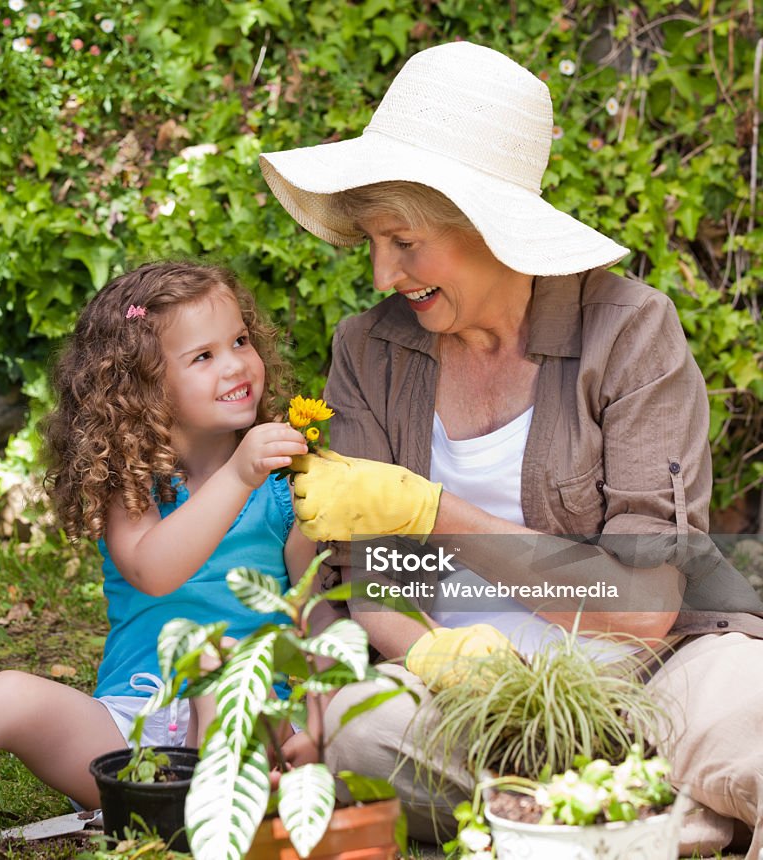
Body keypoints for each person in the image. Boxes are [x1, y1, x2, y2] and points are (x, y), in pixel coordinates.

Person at [258, 41, 763, 857]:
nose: (383, 274)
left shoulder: (629, 333)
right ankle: (647, 808)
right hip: (461, 705)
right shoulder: (371, 351)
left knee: (751, 708)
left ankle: (604, 797)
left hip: (647, 675)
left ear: (488, 226)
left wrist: (436, 511)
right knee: (357, 731)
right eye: (373, 243)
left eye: (404, 241)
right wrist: (444, 659)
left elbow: (641, 608)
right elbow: (378, 587)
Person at [0, 261, 319, 809]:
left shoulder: (287, 490)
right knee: (1, 696)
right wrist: (240, 475)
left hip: (248, 718)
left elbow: (312, 625)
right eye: (203, 356)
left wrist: (313, 729)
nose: (237, 364)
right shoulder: (133, 484)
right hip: (130, 732)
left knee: (223, 670)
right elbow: (153, 569)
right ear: (143, 386)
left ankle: (212, 818)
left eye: (240, 340)